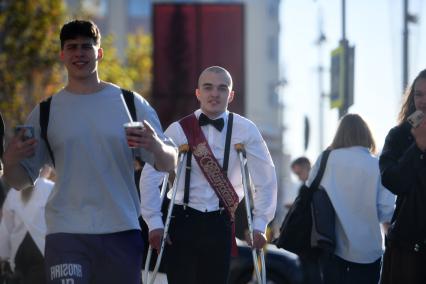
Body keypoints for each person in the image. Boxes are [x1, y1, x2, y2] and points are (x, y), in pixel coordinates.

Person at [2, 20, 177, 284]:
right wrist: (9, 160)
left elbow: (168, 162)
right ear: (62, 55)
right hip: (66, 234)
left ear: (100, 52)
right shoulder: (46, 112)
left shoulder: (130, 103)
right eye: (72, 47)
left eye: (86, 46)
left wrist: (156, 146)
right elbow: (19, 180)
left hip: (121, 232)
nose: (79, 53)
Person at [140, 66, 277, 284]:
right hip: (181, 220)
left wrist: (260, 224)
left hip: (220, 222)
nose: (215, 93)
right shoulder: (179, 129)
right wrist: (154, 221)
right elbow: (151, 174)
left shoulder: (246, 130)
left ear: (230, 95)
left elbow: (266, 178)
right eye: (208, 87)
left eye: (222, 88)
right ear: (198, 93)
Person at [305, 113, 394, 284]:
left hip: (331, 248)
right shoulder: (377, 165)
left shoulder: (326, 159)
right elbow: (386, 212)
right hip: (369, 253)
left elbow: (309, 190)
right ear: (367, 135)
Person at [379, 68, 426, 284]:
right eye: (418, 94)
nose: (423, 101)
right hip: (407, 250)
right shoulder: (399, 136)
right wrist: (417, 148)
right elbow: (392, 180)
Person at [0, 165, 54, 284]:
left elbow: (5, 228)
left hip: (19, 251)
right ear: (45, 169)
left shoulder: (13, 192)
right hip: (43, 249)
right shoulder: (51, 188)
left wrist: (4, 257)